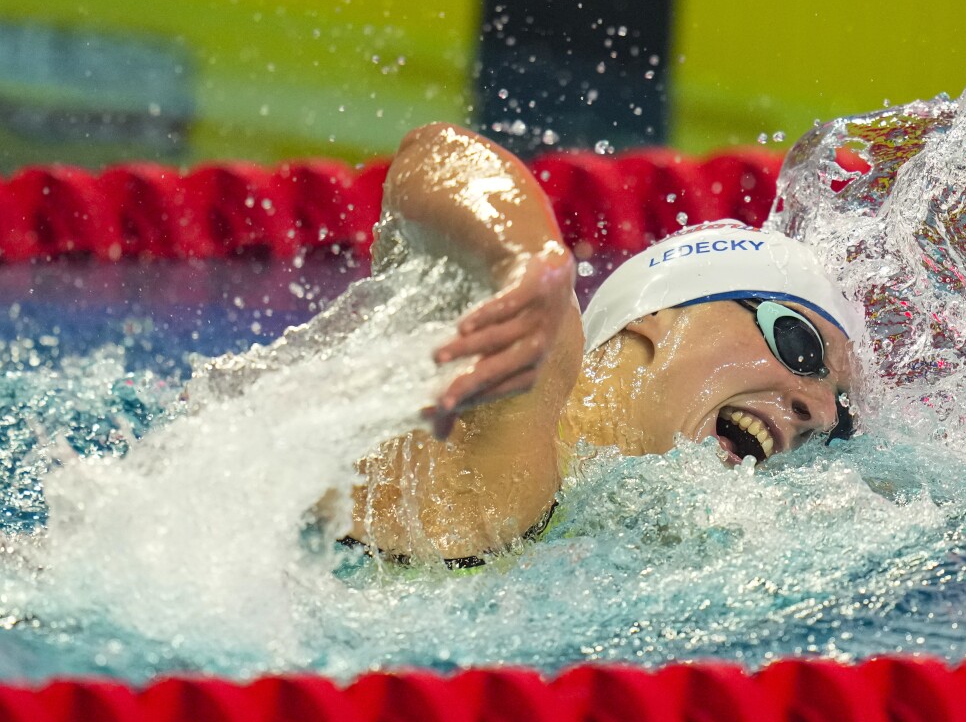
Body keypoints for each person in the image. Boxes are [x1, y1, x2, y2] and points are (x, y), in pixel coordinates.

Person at [345, 123, 862, 568]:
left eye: (840, 421)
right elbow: (435, 154)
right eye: (800, 345)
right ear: (656, 316)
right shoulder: (529, 382)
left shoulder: (606, 525)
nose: (817, 412)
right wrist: (525, 262)